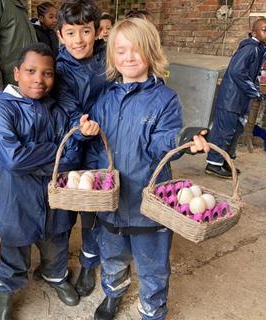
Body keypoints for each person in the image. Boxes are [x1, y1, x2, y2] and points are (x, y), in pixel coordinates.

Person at [86, 18, 210, 320]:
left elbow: (160, 145)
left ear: (151, 52)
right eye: (121, 50)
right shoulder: (104, 99)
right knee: (112, 254)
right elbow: (95, 148)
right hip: (111, 200)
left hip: (148, 200)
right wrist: (85, 140)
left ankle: (152, 308)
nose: (128, 57)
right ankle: (114, 292)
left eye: (136, 50)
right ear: (113, 56)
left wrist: (181, 141)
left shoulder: (165, 99)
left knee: (152, 262)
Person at [0, 42, 99, 320]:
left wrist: (36, 155)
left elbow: (72, 154)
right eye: (30, 71)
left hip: (52, 196)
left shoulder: (56, 109)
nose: (39, 79)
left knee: (56, 238)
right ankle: (6, 289)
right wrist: (53, 152)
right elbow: (13, 160)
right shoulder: (3, 108)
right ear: (16, 73)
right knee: (14, 243)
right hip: (15, 196)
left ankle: (54, 274)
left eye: (47, 73)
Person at [55, 0, 108, 298]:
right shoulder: (58, 68)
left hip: (102, 145)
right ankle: (57, 266)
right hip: (71, 145)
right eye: (71, 33)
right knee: (63, 211)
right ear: (60, 36)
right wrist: (80, 124)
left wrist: (100, 126)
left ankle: (89, 262)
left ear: (97, 31)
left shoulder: (109, 60)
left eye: (85, 31)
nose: (79, 40)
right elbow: (64, 105)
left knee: (92, 209)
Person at [205, 18, 266, 178]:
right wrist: (253, 91)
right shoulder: (250, 48)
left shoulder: (260, 48)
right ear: (254, 33)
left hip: (239, 100)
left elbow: (250, 73)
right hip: (230, 99)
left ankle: (225, 161)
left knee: (235, 131)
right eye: (264, 29)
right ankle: (213, 164)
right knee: (224, 131)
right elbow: (236, 72)